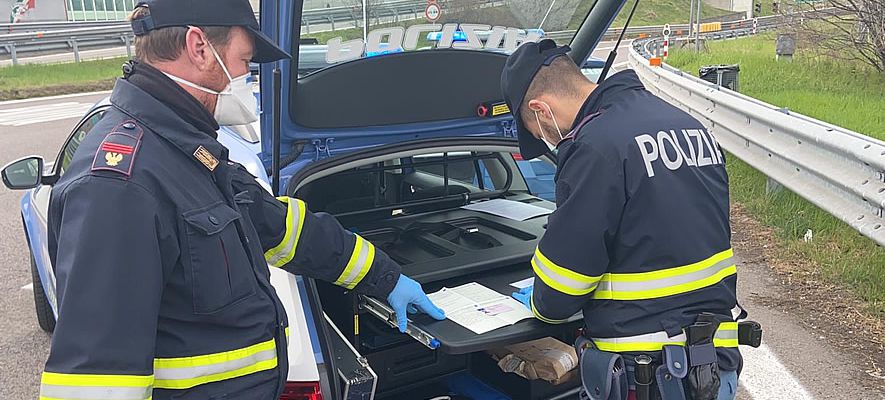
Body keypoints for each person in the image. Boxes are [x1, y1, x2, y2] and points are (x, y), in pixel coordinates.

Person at [39, 1, 444, 399]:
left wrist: (384, 276)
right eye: (243, 59)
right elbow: (96, 384)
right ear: (200, 48)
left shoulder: (188, 151)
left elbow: (282, 228)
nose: (246, 75)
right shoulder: (120, 185)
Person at [503, 39, 742, 400]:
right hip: (715, 367)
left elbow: (559, 296)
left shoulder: (595, 146)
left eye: (537, 132)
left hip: (651, 377)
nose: (545, 139)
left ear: (540, 109)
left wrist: (534, 300)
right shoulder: (687, 127)